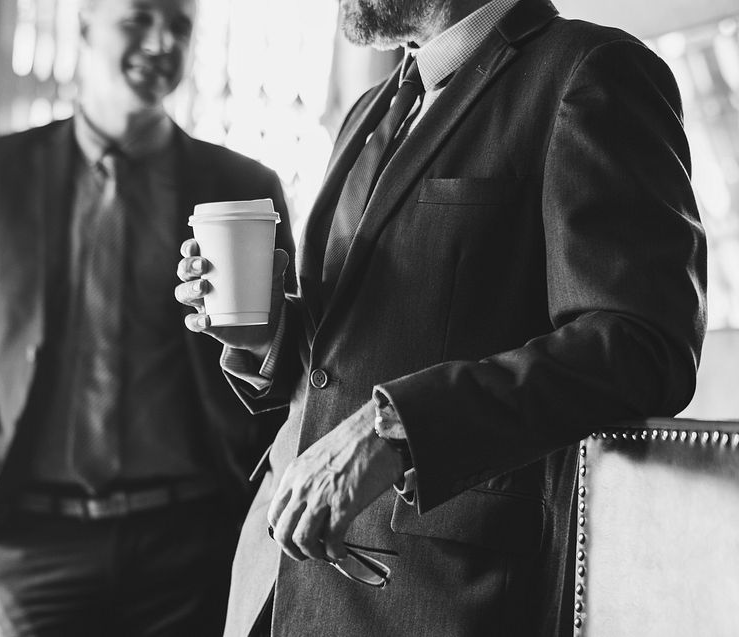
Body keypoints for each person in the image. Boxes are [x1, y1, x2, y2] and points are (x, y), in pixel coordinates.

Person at [176, 0, 707, 634]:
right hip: (276, 583)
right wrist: (268, 336)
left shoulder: (592, 72)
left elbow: (640, 347)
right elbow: (345, 358)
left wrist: (394, 430)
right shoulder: (369, 110)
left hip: (439, 603)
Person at [0, 0, 296, 634]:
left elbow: (289, 363)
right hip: (37, 545)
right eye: (138, 18)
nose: (162, 41)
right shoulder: (2, 171)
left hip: (194, 543)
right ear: (85, 25)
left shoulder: (244, 186)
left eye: (180, 25)